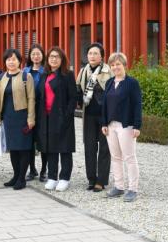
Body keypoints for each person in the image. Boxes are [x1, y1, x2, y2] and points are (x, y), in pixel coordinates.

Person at [101, 52, 143, 202]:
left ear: (124, 65)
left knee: (129, 157)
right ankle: (119, 186)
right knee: (115, 157)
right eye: (112, 65)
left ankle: (133, 189)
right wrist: (104, 123)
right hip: (111, 126)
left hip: (126, 125)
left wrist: (137, 125)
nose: (115, 67)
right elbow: (105, 104)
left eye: (118, 64)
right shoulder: (109, 83)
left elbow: (137, 105)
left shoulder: (132, 83)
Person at [35, 47, 77, 191]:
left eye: (57, 57)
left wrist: (67, 115)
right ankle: (52, 177)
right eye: (51, 56)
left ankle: (64, 178)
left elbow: (73, 98)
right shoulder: (44, 75)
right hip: (46, 118)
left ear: (62, 59)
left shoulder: (68, 75)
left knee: (65, 148)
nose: (54, 59)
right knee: (50, 148)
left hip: (62, 117)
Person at [0, 49, 36, 190]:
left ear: (19, 61)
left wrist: (31, 118)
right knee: (13, 148)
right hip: (8, 117)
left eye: (14, 59)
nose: (11, 62)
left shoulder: (26, 76)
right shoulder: (1, 77)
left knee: (23, 148)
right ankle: (16, 175)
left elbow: (31, 98)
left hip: (22, 116)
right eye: (8, 59)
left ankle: (21, 179)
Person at [76, 42, 113, 192]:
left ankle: (101, 180)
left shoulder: (108, 71)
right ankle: (91, 179)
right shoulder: (83, 71)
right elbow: (78, 89)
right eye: (90, 53)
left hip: (105, 116)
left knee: (105, 148)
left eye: (95, 53)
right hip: (89, 115)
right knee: (89, 148)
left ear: (102, 56)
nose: (92, 56)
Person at [23, 44, 48, 182]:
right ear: (30, 56)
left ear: (43, 55)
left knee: (43, 140)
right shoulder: (25, 71)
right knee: (29, 140)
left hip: (43, 109)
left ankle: (44, 170)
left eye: (38, 54)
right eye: (33, 54)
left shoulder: (47, 71)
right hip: (28, 109)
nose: (36, 56)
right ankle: (32, 169)